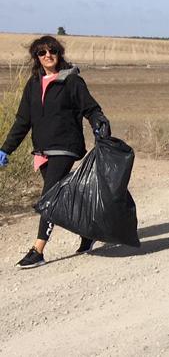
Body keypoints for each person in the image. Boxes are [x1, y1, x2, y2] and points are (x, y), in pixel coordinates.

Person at [0, 36, 111, 269]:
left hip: (65, 146)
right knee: (63, 195)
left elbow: (91, 108)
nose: (47, 55)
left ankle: (38, 250)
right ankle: (87, 231)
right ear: (36, 57)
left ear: (59, 54)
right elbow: (23, 120)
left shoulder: (72, 81)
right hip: (41, 149)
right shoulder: (33, 83)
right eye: (42, 53)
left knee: (49, 196)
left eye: (52, 51)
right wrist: (5, 149)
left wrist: (99, 122)